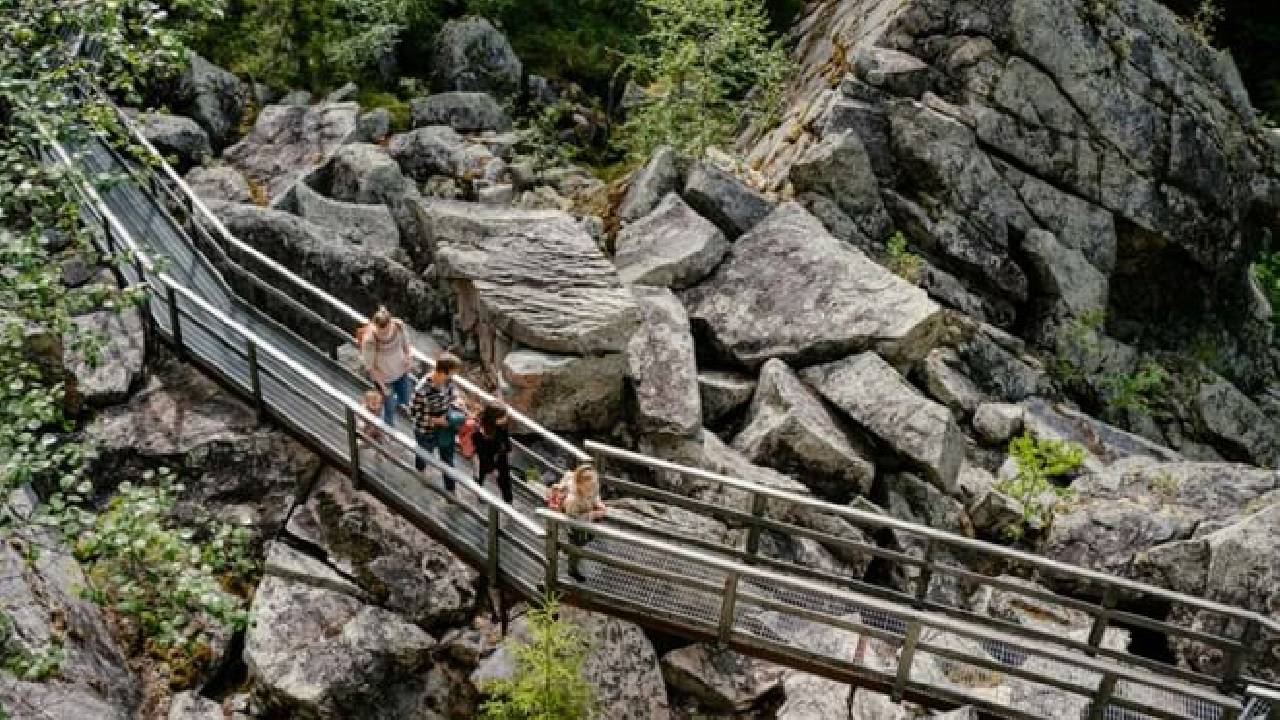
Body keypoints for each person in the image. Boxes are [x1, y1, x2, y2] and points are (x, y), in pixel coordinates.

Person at [410, 351, 465, 491]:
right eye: (453, 373)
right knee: (424, 454)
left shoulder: (448, 381)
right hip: (426, 431)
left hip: (445, 428)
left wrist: (457, 401)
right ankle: (420, 471)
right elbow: (414, 413)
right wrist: (435, 420)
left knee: (448, 461)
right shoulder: (421, 390)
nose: (454, 376)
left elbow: (453, 393)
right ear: (444, 372)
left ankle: (450, 491)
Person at [360, 307, 414, 427]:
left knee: (406, 399)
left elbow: (406, 345)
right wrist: (382, 386)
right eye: (381, 332)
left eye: (386, 331)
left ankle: (376, 407)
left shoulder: (399, 326)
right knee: (389, 408)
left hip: (401, 372)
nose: (383, 335)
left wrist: (409, 358)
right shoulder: (370, 339)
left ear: (391, 323)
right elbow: (370, 367)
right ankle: (387, 431)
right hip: (384, 379)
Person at [554, 465, 606, 581]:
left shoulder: (592, 485)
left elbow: (595, 494)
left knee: (587, 537)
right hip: (574, 524)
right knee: (576, 545)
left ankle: (569, 547)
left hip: (586, 516)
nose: (591, 490)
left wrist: (598, 502)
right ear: (578, 485)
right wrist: (593, 514)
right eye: (588, 489)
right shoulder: (573, 500)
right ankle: (572, 569)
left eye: (593, 487)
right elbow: (573, 519)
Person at [474, 402, 513, 504]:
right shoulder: (480, 433)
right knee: (486, 480)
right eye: (504, 416)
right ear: (495, 418)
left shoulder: (501, 426)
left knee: (505, 482)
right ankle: (483, 499)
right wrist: (492, 469)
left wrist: (507, 449)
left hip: (501, 458)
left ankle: (508, 502)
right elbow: (482, 455)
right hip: (488, 462)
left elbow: (505, 439)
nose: (506, 418)